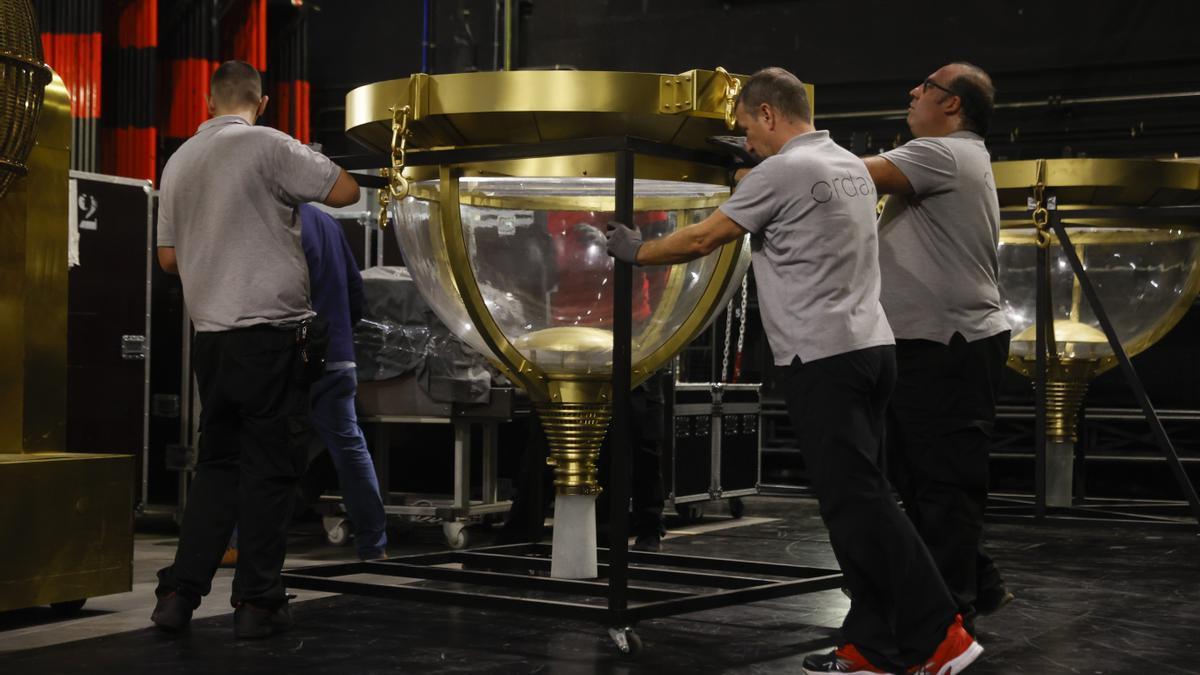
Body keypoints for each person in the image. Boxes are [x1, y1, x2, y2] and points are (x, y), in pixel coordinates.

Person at [606, 66, 981, 675]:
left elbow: (703, 239)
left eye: (746, 127)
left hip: (824, 358)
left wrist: (636, 250)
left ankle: (940, 633)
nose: (747, 140)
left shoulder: (782, 170)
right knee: (856, 504)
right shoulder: (848, 165)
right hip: (871, 350)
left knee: (861, 507)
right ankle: (872, 643)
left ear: (769, 115)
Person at [151, 60, 360, 639]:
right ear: (261, 102)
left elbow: (168, 259)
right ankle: (258, 604)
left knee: (217, 468)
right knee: (270, 471)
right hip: (269, 336)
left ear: (209, 100)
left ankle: (177, 595)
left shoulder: (178, 161)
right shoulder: (269, 144)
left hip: (211, 341)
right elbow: (346, 190)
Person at [862, 62, 1014, 630]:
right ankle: (975, 585)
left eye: (924, 86)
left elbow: (850, 178)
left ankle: (947, 624)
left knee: (942, 484)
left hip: (948, 344)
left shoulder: (943, 153)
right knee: (917, 478)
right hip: (929, 342)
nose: (912, 91)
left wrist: (783, 154)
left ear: (952, 104)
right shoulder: (948, 155)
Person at [299, 203, 388, 561]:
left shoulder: (276, 219)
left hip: (292, 358)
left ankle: (238, 541)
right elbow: (355, 293)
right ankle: (373, 544)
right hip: (337, 355)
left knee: (260, 449)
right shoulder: (327, 223)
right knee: (350, 452)